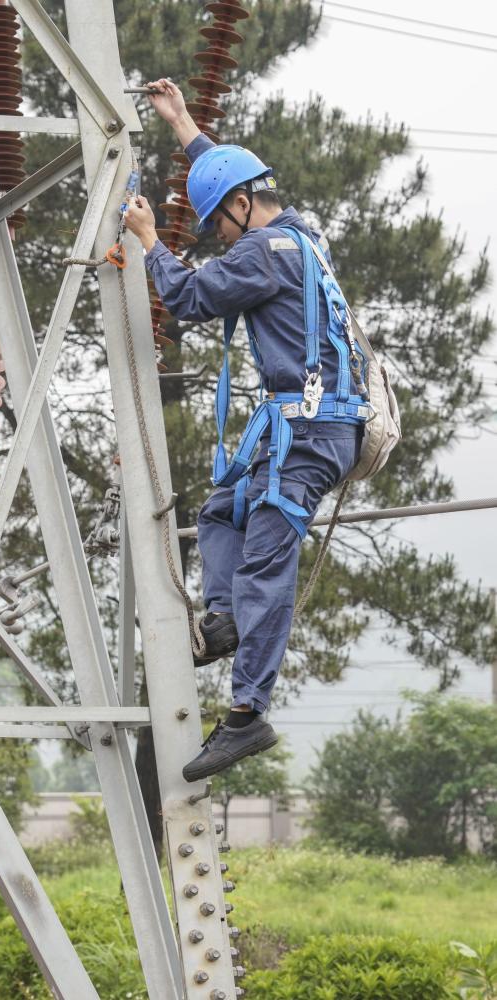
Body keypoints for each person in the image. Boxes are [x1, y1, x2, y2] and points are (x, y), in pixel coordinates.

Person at [124, 80, 365, 783]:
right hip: (304, 427)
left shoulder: (262, 255)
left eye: (219, 226)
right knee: (221, 509)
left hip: (312, 435)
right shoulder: (299, 236)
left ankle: (246, 715)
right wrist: (182, 125)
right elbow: (226, 172)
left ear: (240, 207)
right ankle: (223, 623)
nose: (219, 239)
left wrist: (148, 242)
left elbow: (188, 297)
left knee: (264, 564)